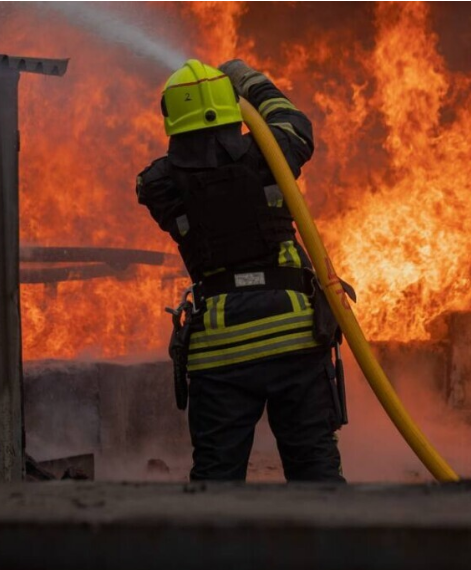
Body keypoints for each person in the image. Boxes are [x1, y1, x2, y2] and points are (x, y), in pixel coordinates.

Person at [136, 59, 345, 482]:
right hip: (294, 341)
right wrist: (248, 80)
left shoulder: (161, 184)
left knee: (216, 480)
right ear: (231, 107)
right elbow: (294, 123)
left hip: (221, 351)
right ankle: (330, 546)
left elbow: (153, 178)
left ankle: (218, 547)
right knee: (316, 473)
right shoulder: (270, 154)